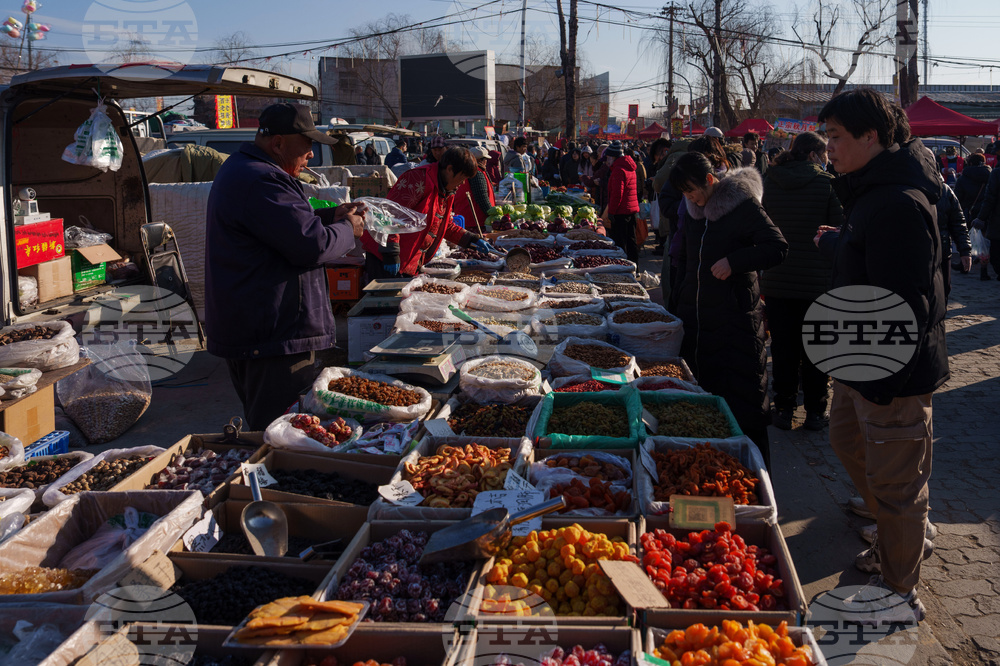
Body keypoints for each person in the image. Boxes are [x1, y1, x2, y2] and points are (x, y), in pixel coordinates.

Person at [814, 88, 948, 622]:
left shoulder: (896, 202)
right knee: (845, 438)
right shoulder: (871, 191)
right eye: (827, 136)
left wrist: (880, 378)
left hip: (890, 370)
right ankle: (900, 530)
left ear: (871, 137)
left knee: (897, 484)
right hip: (859, 358)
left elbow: (909, 302)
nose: (829, 148)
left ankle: (899, 588)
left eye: (836, 137)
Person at [204, 102, 365, 430]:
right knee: (282, 435)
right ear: (277, 143)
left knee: (282, 430)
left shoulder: (249, 170)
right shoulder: (261, 179)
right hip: (272, 338)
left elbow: (281, 227)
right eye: (307, 145)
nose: (310, 154)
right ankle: (270, 482)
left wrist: (328, 216)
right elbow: (311, 245)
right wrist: (349, 230)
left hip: (264, 332)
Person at [669, 151, 788, 466]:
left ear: (710, 180)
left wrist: (735, 262)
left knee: (744, 406)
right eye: (684, 193)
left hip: (735, 324)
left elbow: (777, 247)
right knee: (703, 406)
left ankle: (758, 483)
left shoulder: (742, 205)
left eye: (691, 189)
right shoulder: (696, 210)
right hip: (697, 323)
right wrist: (675, 306)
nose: (690, 197)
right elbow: (687, 262)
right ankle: (708, 470)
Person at [760, 131, 842, 431]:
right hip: (817, 282)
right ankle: (816, 412)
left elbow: (762, 226)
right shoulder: (826, 183)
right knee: (816, 350)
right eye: (823, 154)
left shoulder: (771, 181)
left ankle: (782, 409)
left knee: (783, 348)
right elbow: (838, 229)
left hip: (778, 279)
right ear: (812, 155)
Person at [361, 146, 498, 279]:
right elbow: (390, 215)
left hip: (410, 259)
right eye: (461, 179)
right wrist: (391, 252)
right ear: (450, 169)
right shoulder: (417, 179)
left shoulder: (446, 191)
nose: (462, 184)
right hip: (385, 256)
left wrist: (472, 240)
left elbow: (445, 226)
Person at [605, 141, 640, 262]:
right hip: (631, 210)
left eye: (608, 156)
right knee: (631, 240)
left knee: (620, 242)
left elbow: (617, 194)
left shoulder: (618, 170)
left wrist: (612, 212)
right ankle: (635, 267)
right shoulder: (630, 167)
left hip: (621, 212)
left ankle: (623, 266)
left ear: (613, 156)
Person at [935, 180, 971, 295]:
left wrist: (965, 251)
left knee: (943, 290)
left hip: (942, 251)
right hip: (918, 254)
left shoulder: (944, 190)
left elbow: (957, 223)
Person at [452, 147, 495, 234]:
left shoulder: (467, 171)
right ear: (479, 160)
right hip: (475, 222)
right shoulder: (476, 173)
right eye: (485, 159)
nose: (486, 162)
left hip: (465, 219)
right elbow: (482, 198)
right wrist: (494, 215)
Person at [970, 156, 1000, 280]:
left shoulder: (996, 173)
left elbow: (990, 198)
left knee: (993, 251)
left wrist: (981, 218)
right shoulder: (993, 173)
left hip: (996, 220)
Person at [954, 152, 990, 221]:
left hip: (968, 212)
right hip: (986, 213)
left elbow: (957, 198)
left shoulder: (963, 178)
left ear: (970, 163)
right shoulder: (990, 176)